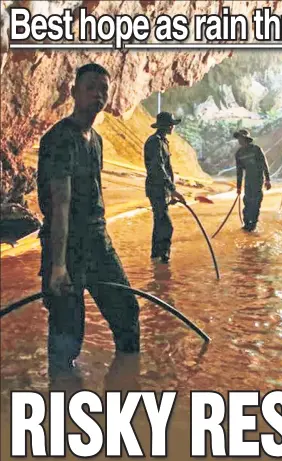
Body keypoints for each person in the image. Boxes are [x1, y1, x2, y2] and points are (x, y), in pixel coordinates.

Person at [37, 63, 140, 381]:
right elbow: (60, 204)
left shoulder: (95, 139)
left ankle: (127, 390)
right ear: (74, 93)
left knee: (127, 313)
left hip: (98, 241)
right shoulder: (59, 138)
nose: (99, 94)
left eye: (104, 89)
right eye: (91, 87)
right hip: (66, 244)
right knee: (67, 338)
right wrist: (57, 267)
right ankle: (63, 413)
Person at [144, 112, 186, 263]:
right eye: (172, 124)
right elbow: (158, 169)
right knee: (167, 226)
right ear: (168, 126)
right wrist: (173, 189)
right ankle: (163, 259)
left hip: (161, 189)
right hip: (156, 189)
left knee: (160, 223)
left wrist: (170, 192)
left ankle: (156, 258)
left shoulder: (163, 142)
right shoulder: (154, 142)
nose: (173, 127)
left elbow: (165, 168)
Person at [234, 129, 271, 232]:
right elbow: (239, 171)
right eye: (238, 138)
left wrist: (268, 180)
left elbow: (264, 164)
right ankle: (246, 224)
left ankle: (253, 224)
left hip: (258, 180)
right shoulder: (239, 153)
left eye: (240, 138)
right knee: (247, 201)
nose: (239, 140)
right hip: (248, 181)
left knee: (256, 202)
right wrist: (238, 187)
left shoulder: (256, 149)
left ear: (245, 139)